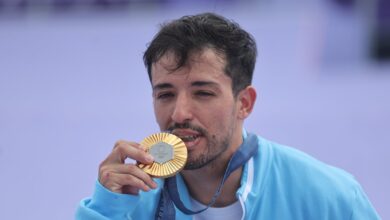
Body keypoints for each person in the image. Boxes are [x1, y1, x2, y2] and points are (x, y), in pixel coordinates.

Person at [76, 12, 380, 220]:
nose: (180, 113)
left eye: (203, 93)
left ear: (244, 103)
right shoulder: (128, 202)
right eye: (165, 94)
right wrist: (105, 210)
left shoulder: (327, 199)